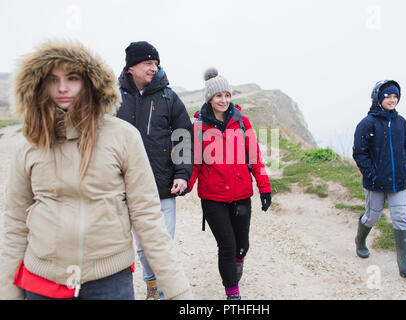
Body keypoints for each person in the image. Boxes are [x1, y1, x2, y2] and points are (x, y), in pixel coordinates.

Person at [0, 40, 193, 300]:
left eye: (72, 77)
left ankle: (154, 287)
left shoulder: (142, 120)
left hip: (108, 282)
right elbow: (14, 224)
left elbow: (149, 220)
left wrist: (182, 172)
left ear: (89, 81)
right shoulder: (28, 143)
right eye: (52, 79)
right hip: (43, 281)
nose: (63, 87)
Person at [115, 41, 193, 300]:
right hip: (126, 187)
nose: (153, 68)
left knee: (162, 246)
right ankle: (151, 286)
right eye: (148, 63)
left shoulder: (168, 97)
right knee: (141, 248)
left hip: (163, 186)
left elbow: (183, 136)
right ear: (132, 66)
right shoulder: (112, 97)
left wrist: (182, 175)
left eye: (156, 64)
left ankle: (161, 294)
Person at [187, 68, 272, 300]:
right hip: (213, 198)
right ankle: (232, 294)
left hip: (242, 194)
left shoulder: (242, 122)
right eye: (218, 96)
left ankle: (238, 263)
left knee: (241, 246)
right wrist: (186, 184)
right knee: (226, 246)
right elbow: (194, 163)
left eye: (227, 95)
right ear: (210, 99)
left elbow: (254, 157)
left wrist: (264, 188)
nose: (223, 100)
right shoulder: (198, 126)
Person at [352, 80, 406, 284]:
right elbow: (359, 152)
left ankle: (405, 266)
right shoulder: (368, 123)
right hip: (375, 183)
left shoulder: (401, 122)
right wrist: (372, 175)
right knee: (372, 217)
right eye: (388, 96)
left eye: (395, 96)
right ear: (378, 98)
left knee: (401, 218)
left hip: (399, 182)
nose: (392, 100)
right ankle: (360, 239)